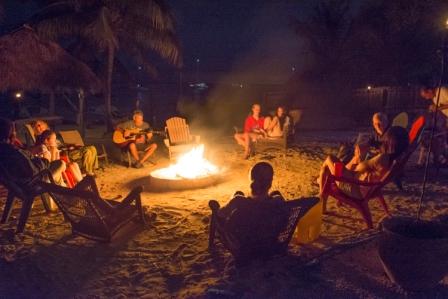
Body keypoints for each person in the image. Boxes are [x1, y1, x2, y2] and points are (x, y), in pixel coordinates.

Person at [319, 126, 409, 204]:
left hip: (355, 189)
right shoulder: (395, 159)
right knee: (328, 168)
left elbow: (358, 168)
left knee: (329, 159)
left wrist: (359, 156)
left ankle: (321, 198)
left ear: (389, 142)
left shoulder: (383, 158)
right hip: (366, 189)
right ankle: (321, 194)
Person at [0, 118, 66, 186]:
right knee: (61, 164)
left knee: (59, 175)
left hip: (23, 181)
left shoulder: (5, 151)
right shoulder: (12, 153)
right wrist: (45, 159)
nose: (15, 134)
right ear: (10, 135)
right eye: (14, 132)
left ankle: (62, 190)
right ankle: (63, 192)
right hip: (33, 183)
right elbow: (32, 171)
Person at [33, 120, 98, 176]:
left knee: (92, 148)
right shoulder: (41, 139)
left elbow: (61, 144)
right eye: (37, 126)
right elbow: (49, 150)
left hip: (67, 149)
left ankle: (92, 169)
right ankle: (87, 171)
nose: (40, 127)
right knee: (87, 151)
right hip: (65, 153)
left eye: (40, 124)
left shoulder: (51, 134)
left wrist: (72, 145)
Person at [419, 85, 448, 165]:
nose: (426, 98)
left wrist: (438, 108)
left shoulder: (442, 91)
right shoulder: (435, 99)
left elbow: (441, 108)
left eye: (426, 96)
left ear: (429, 90)